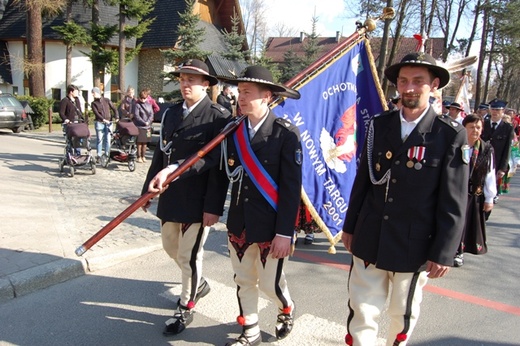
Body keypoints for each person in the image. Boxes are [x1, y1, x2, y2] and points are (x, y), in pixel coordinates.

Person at [341, 52, 469, 346]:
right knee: (361, 311)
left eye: (418, 81)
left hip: (413, 245)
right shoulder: (379, 125)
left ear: (434, 85)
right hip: (370, 236)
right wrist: (350, 227)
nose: (409, 88)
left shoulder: (449, 134)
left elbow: (453, 200)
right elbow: (362, 181)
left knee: (402, 315)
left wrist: (444, 251)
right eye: (403, 81)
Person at [141, 59, 231, 336]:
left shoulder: (218, 117)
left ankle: (185, 306)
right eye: (182, 79)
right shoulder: (169, 114)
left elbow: (218, 165)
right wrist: (147, 189)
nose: (185, 84)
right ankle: (198, 283)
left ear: (206, 84)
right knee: (172, 249)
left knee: (190, 255)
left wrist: (214, 207)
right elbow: (161, 153)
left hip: (198, 198)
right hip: (170, 195)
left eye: (192, 79)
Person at [220, 65, 302, 346]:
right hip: (240, 221)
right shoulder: (232, 131)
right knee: (244, 279)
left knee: (270, 284)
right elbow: (216, 168)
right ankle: (250, 330)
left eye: (247, 93)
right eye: (239, 92)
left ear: (267, 97)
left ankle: (285, 307)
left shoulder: (285, 135)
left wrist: (285, 233)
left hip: (271, 225)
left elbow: (291, 191)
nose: (240, 98)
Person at [454, 113, 496, 267]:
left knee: (466, 223)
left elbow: (490, 174)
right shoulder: (457, 145)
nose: (475, 130)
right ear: (464, 128)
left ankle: (460, 252)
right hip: (456, 191)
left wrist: (489, 198)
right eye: (471, 127)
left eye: (478, 127)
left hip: (474, 193)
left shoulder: (486, 149)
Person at [481, 99, 514, 203]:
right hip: (482, 160)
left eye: (498, 110)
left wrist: (503, 168)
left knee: (491, 188)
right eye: (493, 109)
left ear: (503, 111)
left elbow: (507, 148)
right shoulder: (483, 124)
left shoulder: (507, 128)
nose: (495, 112)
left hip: (497, 162)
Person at [91, 87, 119, 160]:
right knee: (99, 140)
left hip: (109, 123)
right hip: (100, 123)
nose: (92, 95)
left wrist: (116, 117)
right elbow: (96, 113)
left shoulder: (106, 100)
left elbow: (114, 108)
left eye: (93, 93)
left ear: (97, 93)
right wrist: (103, 119)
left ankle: (107, 154)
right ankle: (99, 155)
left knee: (108, 139)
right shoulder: (94, 103)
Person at [132, 89, 154, 163]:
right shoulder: (137, 105)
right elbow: (137, 116)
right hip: (140, 126)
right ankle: (138, 157)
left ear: (147, 97)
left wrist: (148, 121)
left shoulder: (149, 105)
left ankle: (143, 156)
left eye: (144, 98)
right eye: (141, 98)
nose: (143, 100)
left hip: (148, 127)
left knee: (145, 143)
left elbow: (151, 114)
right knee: (139, 143)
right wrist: (144, 122)